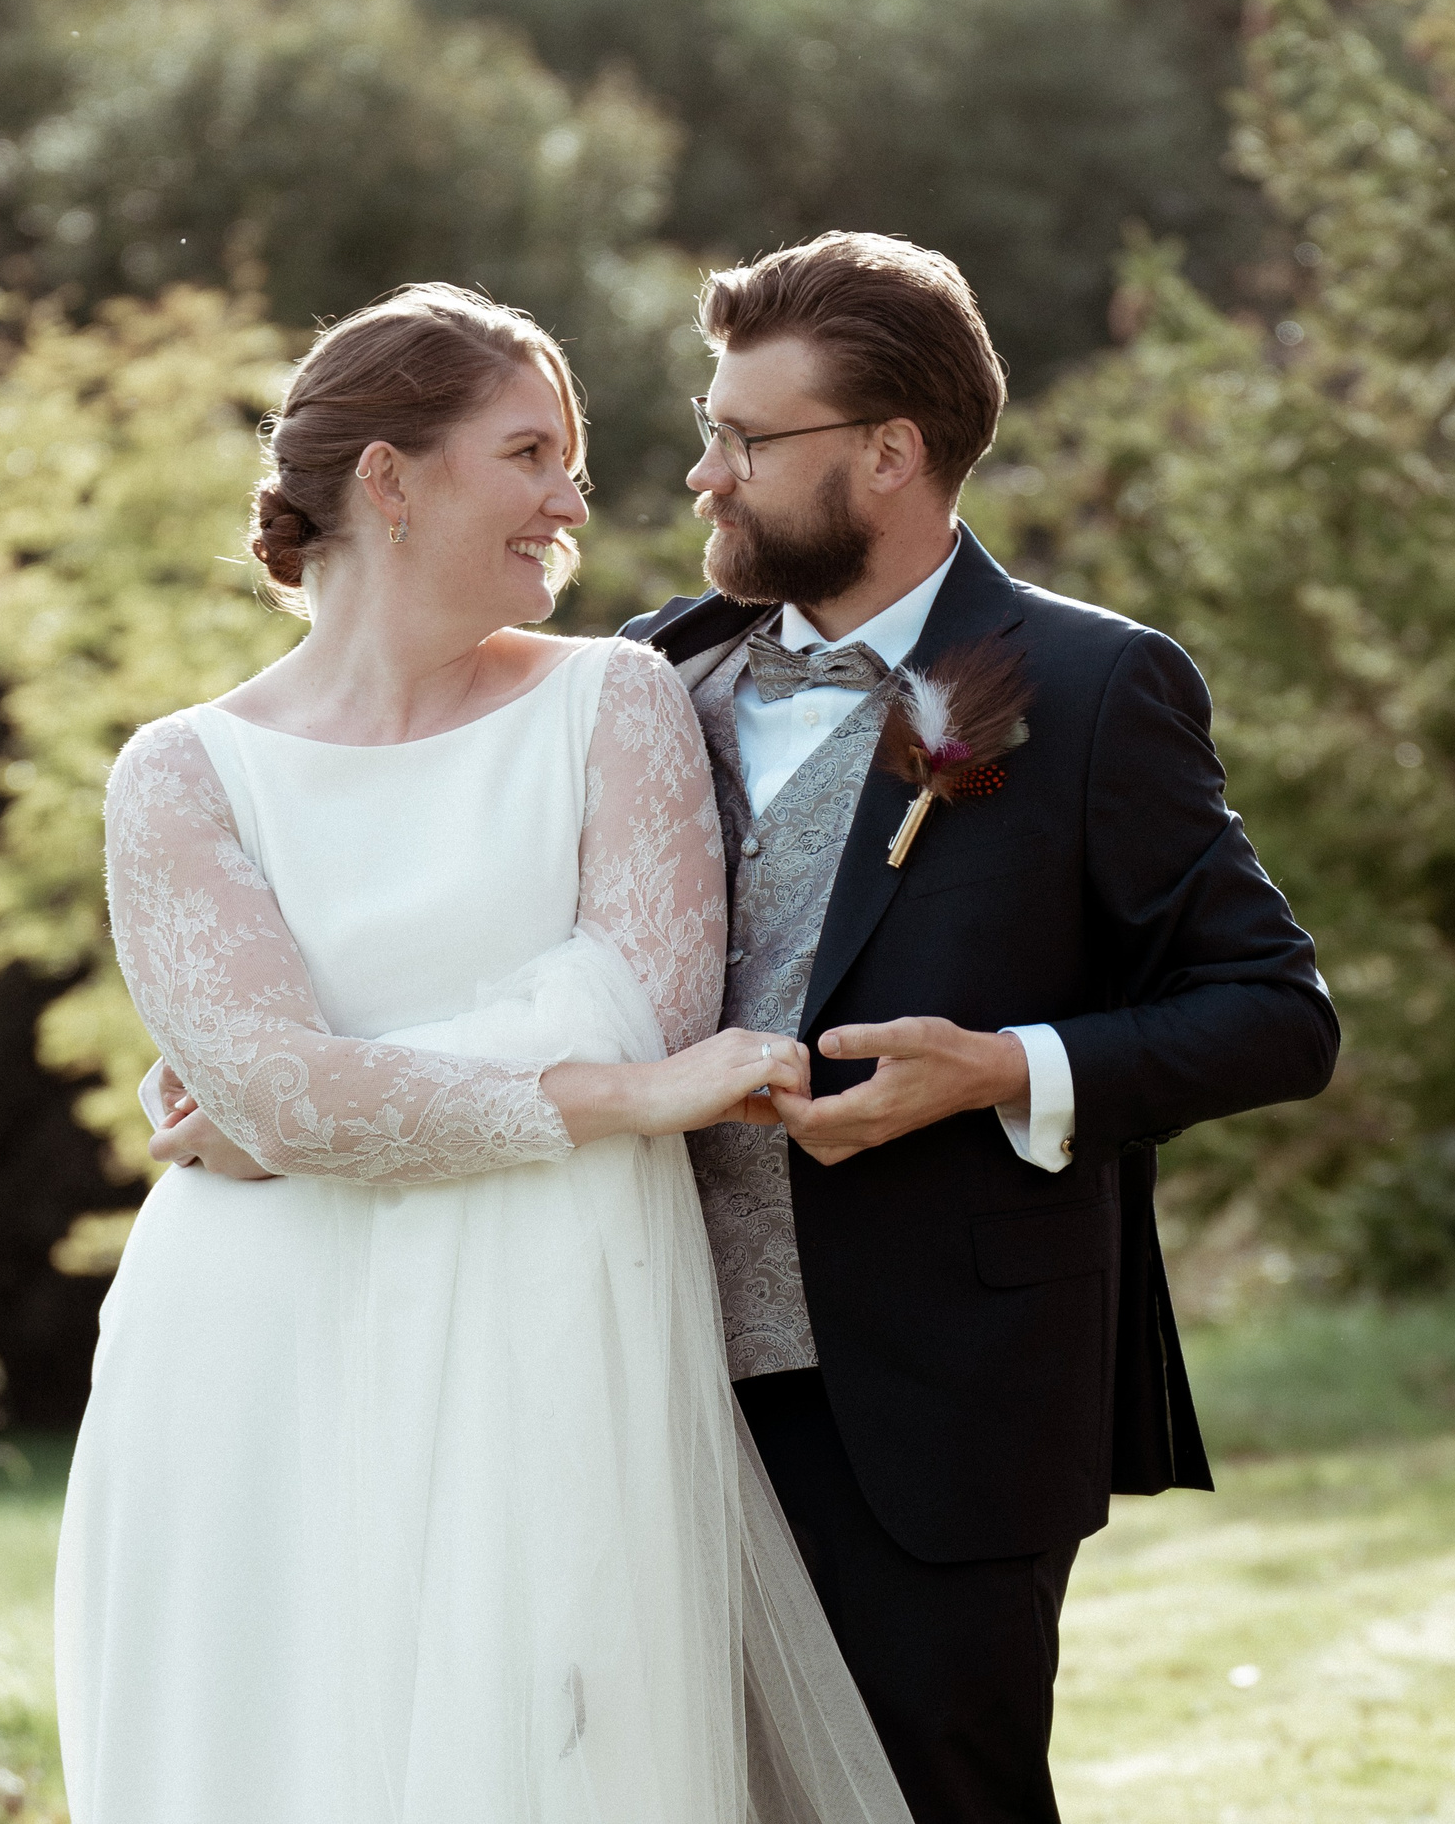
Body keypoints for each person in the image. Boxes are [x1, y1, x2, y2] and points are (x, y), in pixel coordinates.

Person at [54, 283, 913, 1824]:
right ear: (390, 476)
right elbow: (323, 1087)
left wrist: (311, 1102)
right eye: (529, 453)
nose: (572, 501)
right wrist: (595, 1096)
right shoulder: (182, 774)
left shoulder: (614, 702)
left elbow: (631, 1005)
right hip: (250, 1356)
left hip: (548, 1328)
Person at [624, 231, 1340, 1824]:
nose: (702, 475)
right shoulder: (641, 674)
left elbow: (1278, 1016)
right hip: (639, 1372)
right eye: (711, 428)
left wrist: (1007, 1072)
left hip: (931, 1403)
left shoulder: (1082, 690)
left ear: (888, 455)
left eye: (745, 440)